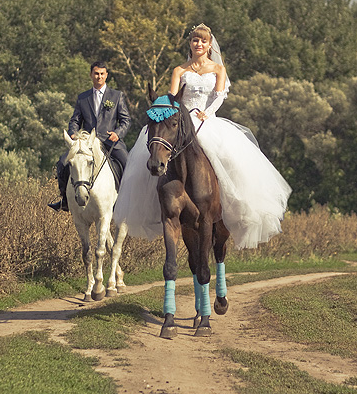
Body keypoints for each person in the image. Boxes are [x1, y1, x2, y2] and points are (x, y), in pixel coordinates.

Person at [113, 24, 291, 248]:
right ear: (190, 44)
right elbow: (173, 100)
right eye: (195, 41)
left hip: (208, 119)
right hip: (182, 121)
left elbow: (219, 96)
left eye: (203, 41)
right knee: (152, 156)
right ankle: (157, 207)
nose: (199, 44)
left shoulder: (218, 69)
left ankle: (230, 205)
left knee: (227, 158)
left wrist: (208, 112)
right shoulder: (179, 70)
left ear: (209, 46)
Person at [50, 61, 131, 211]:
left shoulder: (117, 96)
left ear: (106, 75)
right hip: (86, 144)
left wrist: (117, 134)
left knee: (127, 163)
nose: (99, 76)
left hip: (110, 142)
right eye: (96, 73)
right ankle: (65, 199)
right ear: (91, 75)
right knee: (62, 163)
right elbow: (75, 120)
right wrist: (73, 133)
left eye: (102, 74)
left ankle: (128, 199)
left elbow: (126, 121)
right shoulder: (83, 98)